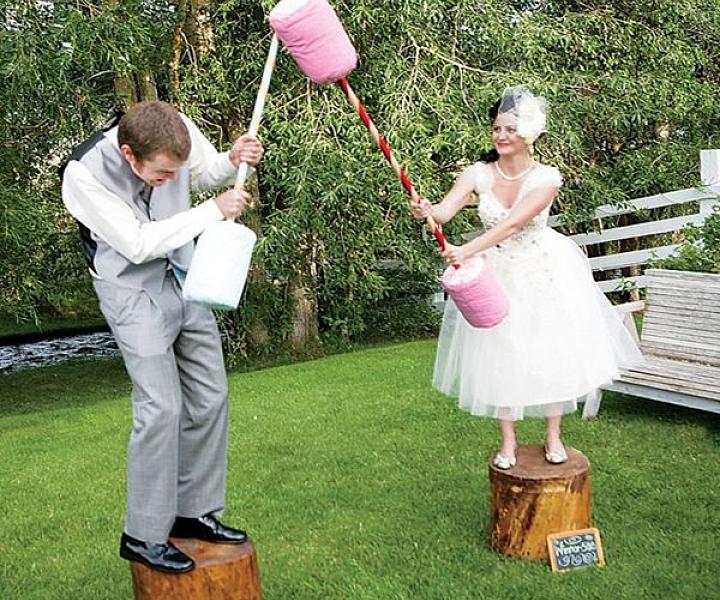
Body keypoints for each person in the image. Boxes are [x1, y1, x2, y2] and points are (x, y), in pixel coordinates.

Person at [61, 100, 263, 573]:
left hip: (186, 277)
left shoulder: (176, 127)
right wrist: (212, 211)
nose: (171, 180)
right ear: (129, 155)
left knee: (210, 395)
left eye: (174, 171)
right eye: (161, 174)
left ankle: (193, 512)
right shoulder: (83, 174)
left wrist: (232, 159)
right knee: (161, 407)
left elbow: (203, 172)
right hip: (131, 291)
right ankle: (143, 535)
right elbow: (137, 243)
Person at [411, 86, 641, 470]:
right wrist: (427, 210)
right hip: (497, 274)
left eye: (510, 129)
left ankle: (553, 435)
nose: (501, 136)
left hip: (543, 271)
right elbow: (445, 212)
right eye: (497, 128)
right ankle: (508, 441)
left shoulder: (547, 177)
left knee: (550, 349)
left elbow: (515, 224)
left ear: (529, 134)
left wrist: (467, 250)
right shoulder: (477, 173)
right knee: (501, 353)